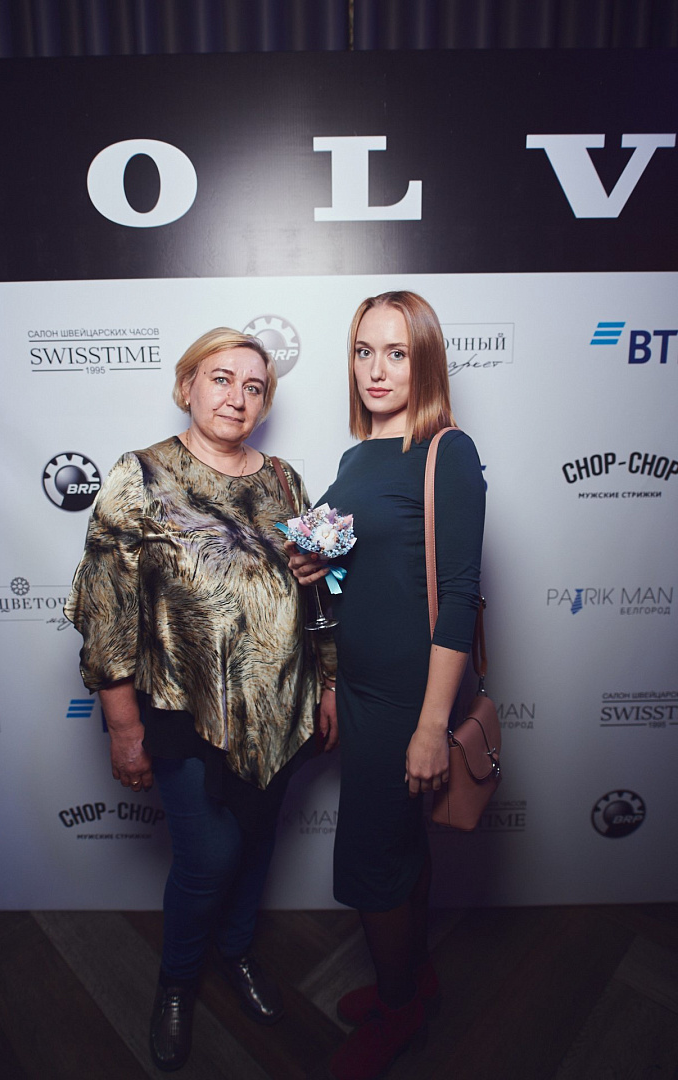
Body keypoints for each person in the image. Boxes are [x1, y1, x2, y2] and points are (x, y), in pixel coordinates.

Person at [65, 327, 337, 1073]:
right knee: (208, 855)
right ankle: (177, 983)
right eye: (220, 379)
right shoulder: (140, 475)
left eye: (254, 387)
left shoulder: (284, 480)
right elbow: (106, 612)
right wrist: (123, 728)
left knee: (255, 841)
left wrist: (328, 681)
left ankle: (238, 951)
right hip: (182, 707)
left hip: (279, 706)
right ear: (187, 385)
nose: (236, 398)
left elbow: (319, 594)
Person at [288, 292, 485, 1080]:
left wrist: (431, 726)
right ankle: (414, 979)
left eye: (396, 353)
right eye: (364, 351)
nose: (376, 369)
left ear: (424, 360)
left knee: (371, 861)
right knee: (399, 846)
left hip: (410, 697)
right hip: (363, 688)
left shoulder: (446, 451)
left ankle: (399, 1011)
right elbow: (355, 572)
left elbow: (458, 594)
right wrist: (314, 564)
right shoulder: (357, 456)